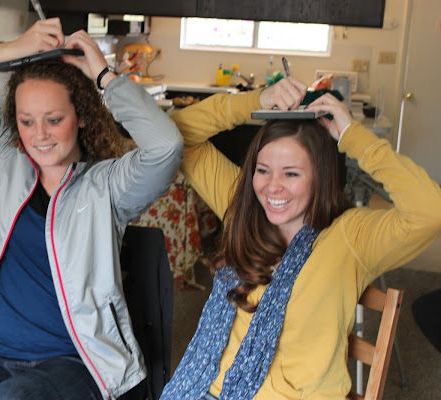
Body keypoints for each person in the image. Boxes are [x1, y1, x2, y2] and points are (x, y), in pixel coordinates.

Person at [0, 18, 182, 400]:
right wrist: (11, 50)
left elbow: (165, 147)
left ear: (81, 116)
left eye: (54, 120)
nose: (39, 135)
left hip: (70, 361)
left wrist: (104, 76)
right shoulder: (2, 157)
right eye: (26, 121)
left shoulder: (108, 187)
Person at [160, 79, 441, 399]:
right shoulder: (242, 204)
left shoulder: (351, 238)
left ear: (319, 178)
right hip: (209, 388)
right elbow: (174, 136)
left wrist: (353, 136)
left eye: (291, 173)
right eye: (263, 170)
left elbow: (431, 211)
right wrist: (254, 101)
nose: (272, 187)